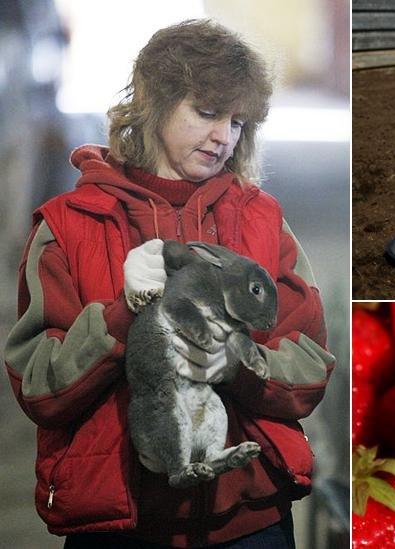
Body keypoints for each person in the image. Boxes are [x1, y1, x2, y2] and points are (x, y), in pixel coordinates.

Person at [2, 19, 335, 548]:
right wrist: (118, 317)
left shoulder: (263, 220)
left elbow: (311, 363)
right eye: (206, 113)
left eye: (237, 123)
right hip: (120, 523)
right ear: (155, 103)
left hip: (248, 521)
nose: (224, 137)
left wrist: (240, 366)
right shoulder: (68, 226)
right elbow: (39, 389)